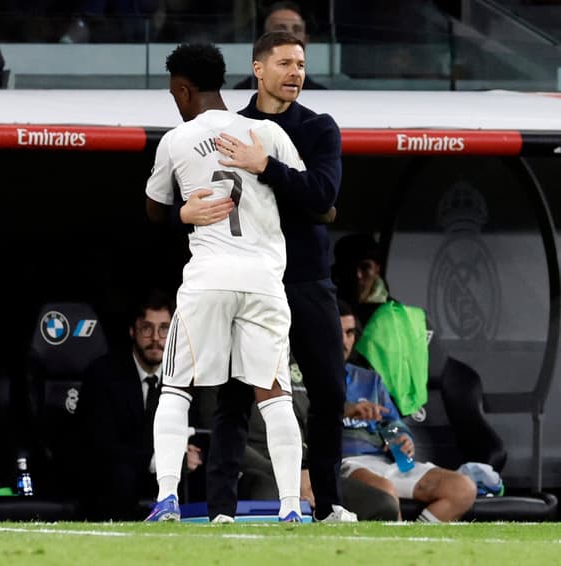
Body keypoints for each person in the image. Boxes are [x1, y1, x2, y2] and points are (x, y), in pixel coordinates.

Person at [181, 30, 351, 523]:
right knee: (235, 396)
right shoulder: (230, 128)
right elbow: (199, 194)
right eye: (284, 63)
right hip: (250, 278)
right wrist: (184, 213)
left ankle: (328, 505)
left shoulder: (319, 127)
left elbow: (324, 194)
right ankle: (221, 510)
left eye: (301, 64)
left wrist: (266, 167)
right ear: (258, 69)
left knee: (329, 392)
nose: (295, 73)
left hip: (306, 278)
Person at [143, 42, 305, 523]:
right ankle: (292, 507)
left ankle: (167, 498)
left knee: (175, 388)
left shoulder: (177, 140)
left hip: (209, 277)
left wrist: (183, 213)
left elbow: (153, 212)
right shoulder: (267, 132)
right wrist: (265, 172)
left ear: (182, 89)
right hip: (263, 279)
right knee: (275, 395)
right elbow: (311, 198)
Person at [338, 299, 477, 522]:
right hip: (345, 463)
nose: (344, 341)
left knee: (462, 488)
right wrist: (346, 411)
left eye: (350, 333)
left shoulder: (370, 380)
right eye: (337, 332)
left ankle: (415, 539)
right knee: (385, 494)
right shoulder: (302, 377)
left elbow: (389, 423)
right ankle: (398, 543)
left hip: (386, 462)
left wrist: (401, 438)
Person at [77, 288, 205, 520]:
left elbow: (196, 431)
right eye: (147, 328)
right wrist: (157, 460)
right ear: (132, 331)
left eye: (164, 329)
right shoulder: (103, 374)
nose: (156, 338)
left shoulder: (186, 377)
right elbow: (100, 445)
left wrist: (190, 453)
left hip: (173, 480)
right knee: (119, 476)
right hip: (117, 481)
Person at [235, 357, 401, 521]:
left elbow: (315, 416)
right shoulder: (236, 364)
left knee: (383, 505)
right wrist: (288, 476)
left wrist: (313, 471)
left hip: (307, 472)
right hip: (259, 471)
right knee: (267, 497)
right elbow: (225, 440)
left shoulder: (298, 364)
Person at [234, 2, 326, 91]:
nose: (290, 35)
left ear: (306, 40)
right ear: (263, 40)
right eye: (280, 30)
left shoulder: (321, 94)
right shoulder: (242, 92)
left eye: (297, 30)